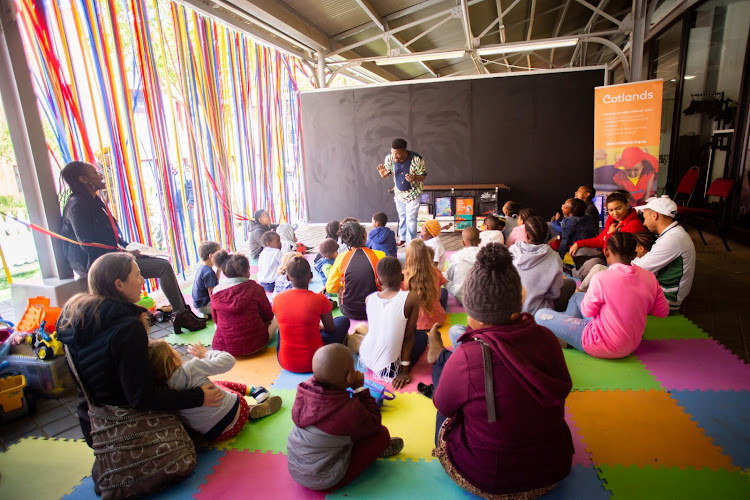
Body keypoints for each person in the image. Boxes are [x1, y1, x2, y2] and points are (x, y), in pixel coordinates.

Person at [57, 252, 223, 493]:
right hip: (128, 424)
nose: (144, 279)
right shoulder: (128, 327)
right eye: (137, 275)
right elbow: (141, 398)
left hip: (95, 425)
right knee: (201, 401)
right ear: (119, 285)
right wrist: (199, 397)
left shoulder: (76, 319)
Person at [424, 244, 573, 498]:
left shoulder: (468, 354)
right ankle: (441, 359)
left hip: (486, 478)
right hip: (553, 471)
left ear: (470, 311)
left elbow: (444, 405)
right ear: (521, 296)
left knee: (443, 407)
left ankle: (439, 358)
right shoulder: (546, 337)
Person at [58, 161, 206, 333]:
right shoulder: (77, 205)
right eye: (95, 172)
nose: (100, 174)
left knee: (161, 263)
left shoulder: (93, 200)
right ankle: (180, 315)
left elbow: (112, 236)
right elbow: (89, 246)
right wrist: (125, 254)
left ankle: (182, 312)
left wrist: (130, 248)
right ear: (84, 179)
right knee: (163, 267)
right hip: (95, 264)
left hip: (111, 255)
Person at [287, 344, 404, 491]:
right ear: (349, 377)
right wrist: (360, 389)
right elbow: (375, 422)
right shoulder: (349, 410)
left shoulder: (304, 389)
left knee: (349, 431)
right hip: (325, 480)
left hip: (296, 468)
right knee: (382, 435)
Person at [535, 232, 670, 357]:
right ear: (634, 254)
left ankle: (567, 336)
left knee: (540, 315)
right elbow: (663, 311)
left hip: (599, 343)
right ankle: (567, 337)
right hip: (632, 344)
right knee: (577, 297)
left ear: (606, 252)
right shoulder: (650, 277)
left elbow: (588, 311)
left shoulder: (601, 278)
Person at [148, 340, 282, 441]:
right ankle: (255, 392)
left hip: (215, 434)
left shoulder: (160, 391)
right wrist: (205, 354)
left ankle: (251, 411)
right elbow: (228, 360)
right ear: (174, 359)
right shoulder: (192, 368)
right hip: (238, 409)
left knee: (204, 393)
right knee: (217, 384)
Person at [274, 256, 351, 373]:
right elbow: (330, 329)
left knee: (282, 329)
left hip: (285, 362)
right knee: (343, 320)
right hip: (317, 360)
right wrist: (318, 325)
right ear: (311, 275)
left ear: (288, 278)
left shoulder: (278, 299)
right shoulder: (320, 299)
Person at [358, 257, 423, 388]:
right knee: (421, 337)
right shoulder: (411, 297)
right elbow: (408, 337)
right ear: (402, 277)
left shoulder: (369, 299)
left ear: (378, 280)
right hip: (388, 367)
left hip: (365, 357)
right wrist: (404, 371)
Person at [633, 196, 696, 311]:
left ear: (654, 215)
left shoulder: (673, 239)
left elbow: (637, 270)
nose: (644, 223)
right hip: (660, 290)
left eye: (645, 218)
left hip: (666, 298)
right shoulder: (673, 234)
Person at [211, 251, 277, 356]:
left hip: (225, 348)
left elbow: (215, 320)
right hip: (257, 344)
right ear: (245, 271)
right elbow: (268, 316)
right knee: (277, 318)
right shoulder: (255, 288)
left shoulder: (216, 291)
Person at [569, 191, 647, 279]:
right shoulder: (613, 219)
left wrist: (611, 234)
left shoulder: (633, 224)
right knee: (580, 250)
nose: (615, 213)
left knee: (594, 263)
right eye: (611, 210)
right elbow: (600, 240)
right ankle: (584, 271)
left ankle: (575, 272)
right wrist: (578, 243)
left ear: (627, 204)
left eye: (618, 208)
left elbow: (613, 251)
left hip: (618, 263)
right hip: (607, 255)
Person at [510, 216, 573, 315]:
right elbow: (554, 294)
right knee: (571, 284)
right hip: (539, 313)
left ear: (526, 235)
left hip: (510, 311)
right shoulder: (554, 257)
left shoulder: (512, 251)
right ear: (546, 235)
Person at [326, 222, 385, 321]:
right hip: (375, 310)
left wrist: (342, 286)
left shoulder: (341, 257)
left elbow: (330, 288)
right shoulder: (380, 255)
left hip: (349, 311)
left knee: (340, 286)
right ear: (365, 236)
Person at [376, 138, 427, 244]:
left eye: (397, 154)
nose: (394, 156)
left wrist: (414, 178)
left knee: (411, 218)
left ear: (404, 151)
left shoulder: (416, 159)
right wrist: (382, 173)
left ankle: (411, 243)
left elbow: (423, 176)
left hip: (413, 193)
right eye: (392, 153)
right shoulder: (390, 158)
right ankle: (403, 237)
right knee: (402, 216)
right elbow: (386, 174)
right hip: (399, 193)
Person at [403, 239, 448, 331]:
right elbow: (438, 297)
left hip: (413, 323)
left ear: (408, 256)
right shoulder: (436, 272)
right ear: (427, 255)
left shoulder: (403, 275)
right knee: (444, 292)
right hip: (437, 321)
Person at [444, 228, 481, 305]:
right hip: (483, 300)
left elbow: (449, 276)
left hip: (462, 299)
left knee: (444, 278)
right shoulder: (487, 256)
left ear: (463, 242)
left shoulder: (456, 256)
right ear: (480, 241)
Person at [192, 241, 221, 318]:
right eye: (219, 254)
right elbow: (212, 294)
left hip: (199, 305)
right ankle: (209, 313)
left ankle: (206, 314)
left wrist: (219, 270)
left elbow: (214, 283)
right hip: (204, 306)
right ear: (211, 256)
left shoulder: (203, 268)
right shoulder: (209, 272)